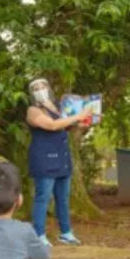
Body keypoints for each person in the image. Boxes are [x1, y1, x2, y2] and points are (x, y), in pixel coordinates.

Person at [25, 78, 92, 247]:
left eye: (43, 86)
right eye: (35, 88)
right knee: (43, 198)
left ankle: (66, 232)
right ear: (31, 93)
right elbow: (52, 125)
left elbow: (68, 125)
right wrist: (79, 116)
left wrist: (87, 120)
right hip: (44, 159)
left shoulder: (58, 107)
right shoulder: (33, 110)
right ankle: (39, 235)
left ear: (49, 88)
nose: (40, 90)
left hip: (62, 158)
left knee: (63, 199)